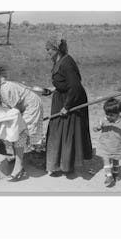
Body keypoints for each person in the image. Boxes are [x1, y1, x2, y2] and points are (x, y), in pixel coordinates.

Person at [45, 35, 93, 176]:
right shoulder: (58, 60)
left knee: (67, 132)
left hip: (72, 100)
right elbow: (65, 82)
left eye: (48, 49)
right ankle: (57, 163)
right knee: (57, 130)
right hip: (62, 97)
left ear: (56, 49)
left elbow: (75, 86)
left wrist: (67, 106)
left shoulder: (67, 63)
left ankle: (66, 164)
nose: (47, 52)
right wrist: (55, 88)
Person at [93, 98, 121, 187]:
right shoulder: (103, 120)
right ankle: (109, 176)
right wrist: (96, 128)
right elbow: (96, 128)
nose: (108, 116)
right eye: (107, 114)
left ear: (118, 113)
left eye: (111, 115)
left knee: (116, 160)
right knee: (106, 158)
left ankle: (115, 174)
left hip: (118, 145)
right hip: (105, 145)